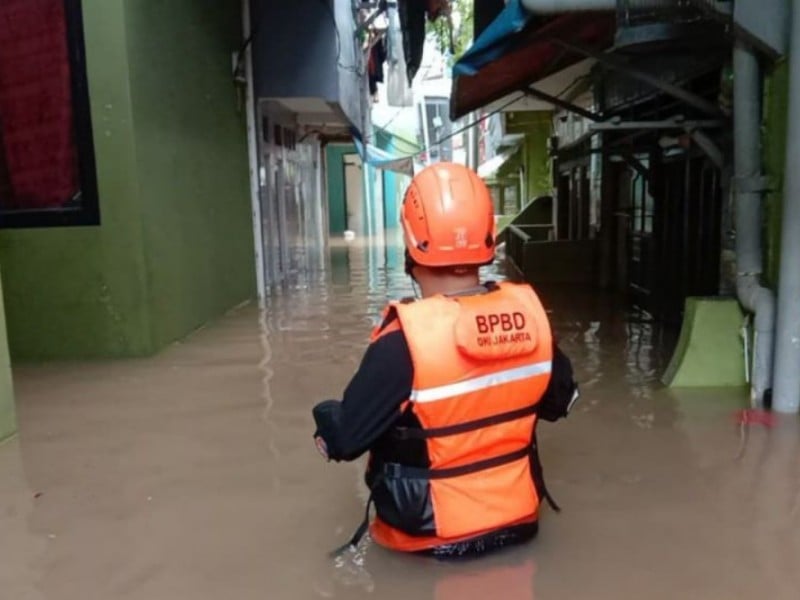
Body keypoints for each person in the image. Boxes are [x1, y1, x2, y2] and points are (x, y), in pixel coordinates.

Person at [313, 162, 578, 558]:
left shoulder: (403, 343)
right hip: (520, 526)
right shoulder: (532, 321)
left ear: (410, 241)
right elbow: (560, 403)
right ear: (488, 234)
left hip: (428, 543)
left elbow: (346, 440)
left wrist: (328, 417)